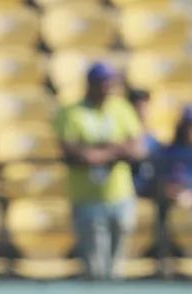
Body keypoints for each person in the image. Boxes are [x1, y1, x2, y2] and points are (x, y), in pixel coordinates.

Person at [54, 62, 146, 280]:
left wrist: (97, 153)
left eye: (109, 82)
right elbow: (74, 153)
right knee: (95, 265)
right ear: (91, 84)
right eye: (102, 82)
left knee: (116, 264)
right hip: (87, 198)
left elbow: (136, 149)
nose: (107, 87)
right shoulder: (71, 112)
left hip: (120, 195)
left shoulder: (121, 109)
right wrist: (114, 149)